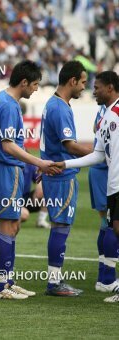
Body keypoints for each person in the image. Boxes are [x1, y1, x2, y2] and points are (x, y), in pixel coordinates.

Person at [0, 60, 58, 300]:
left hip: (9, 171)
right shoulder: (8, 106)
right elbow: (8, 146)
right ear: (24, 82)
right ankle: (1, 287)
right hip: (6, 172)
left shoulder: (5, 100)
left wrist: (30, 163)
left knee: (13, 226)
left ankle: (8, 280)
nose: (36, 89)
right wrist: (38, 162)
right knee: (7, 227)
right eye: (35, 84)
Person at [53, 71, 119, 303]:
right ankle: (108, 280)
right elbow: (99, 154)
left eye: (98, 87)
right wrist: (64, 163)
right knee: (114, 230)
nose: (93, 91)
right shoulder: (106, 117)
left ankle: (109, 279)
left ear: (110, 88)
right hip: (113, 186)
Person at [40, 60, 93, 296]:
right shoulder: (60, 108)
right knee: (61, 228)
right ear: (72, 81)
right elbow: (70, 146)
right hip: (62, 176)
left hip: (55, 175)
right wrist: (100, 155)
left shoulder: (54, 103)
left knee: (59, 227)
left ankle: (55, 280)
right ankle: (54, 283)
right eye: (82, 82)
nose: (84, 87)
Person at [90, 103, 118, 294]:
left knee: (104, 223)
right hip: (106, 172)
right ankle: (107, 278)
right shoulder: (112, 111)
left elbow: (95, 129)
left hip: (100, 172)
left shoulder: (106, 110)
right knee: (110, 225)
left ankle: (104, 277)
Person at [19, 163, 49, 228]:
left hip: (24, 198)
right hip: (8, 200)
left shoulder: (29, 164)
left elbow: (39, 177)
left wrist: (41, 185)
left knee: (48, 189)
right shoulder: (9, 161)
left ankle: (41, 221)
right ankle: (3, 220)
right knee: (24, 214)